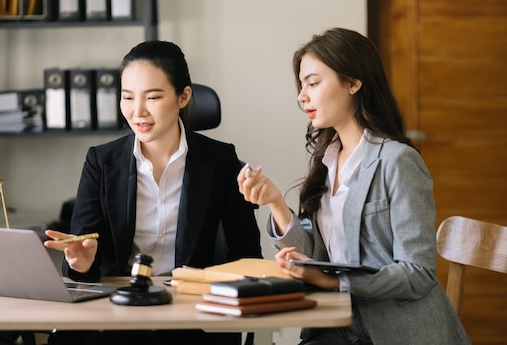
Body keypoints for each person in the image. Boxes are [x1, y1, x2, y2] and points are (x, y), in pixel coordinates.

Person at [237, 28, 470, 345]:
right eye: (302, 85)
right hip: (336, 322)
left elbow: (417, 273)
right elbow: (318, 256)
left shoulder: (397, 161)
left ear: (353, 82)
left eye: (314, 83)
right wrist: (275, 202)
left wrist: (336, 283)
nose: (302, 96)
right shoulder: (325, 161)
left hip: (394, 330)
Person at [44, 40, 262, 345]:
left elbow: (247, 256)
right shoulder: (101, 161)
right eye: (128, 97)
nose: (137, 111)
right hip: (116, 310)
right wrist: (82, 262)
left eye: (153, 97)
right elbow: (81, 260)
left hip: (188, 313)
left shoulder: (220, 160)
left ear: (183, 96)